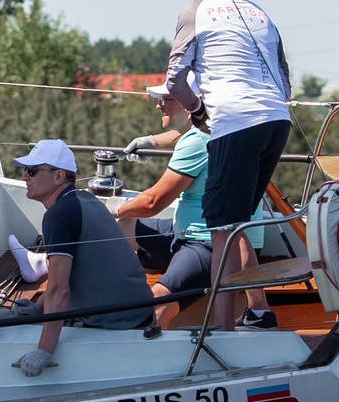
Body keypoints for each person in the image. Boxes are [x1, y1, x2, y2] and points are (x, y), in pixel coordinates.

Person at [149, 0, 291, 328]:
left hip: (236, 122)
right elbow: (284, 82)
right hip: (277, 122)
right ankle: (258, 313)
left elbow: (175, 79)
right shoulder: (261, 13)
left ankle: (223, 331)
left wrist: (197, 112)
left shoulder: (195, 11)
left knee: (220, 233)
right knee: (239, 223)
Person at [112, 102, 277, 330]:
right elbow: (182, 134)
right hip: (188, 233)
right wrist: (151, 141)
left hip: (208, 244)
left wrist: (114, 207)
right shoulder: (219, 131)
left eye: (168, 98)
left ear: (190, 108)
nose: (159, 105)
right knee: (117, 227)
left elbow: (152, 203)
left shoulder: (197, 142)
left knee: (157, 307)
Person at [10, 137, 152, 376]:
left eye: (32, 170)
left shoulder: (58, 214)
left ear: (58, 177)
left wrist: (43, 352)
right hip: (141, 315)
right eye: (25, 170)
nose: (25, 177)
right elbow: (61, 277)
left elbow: (59, 290)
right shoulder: (86, 200)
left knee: (3, 326)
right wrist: (37, 309)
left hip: (120, 327)